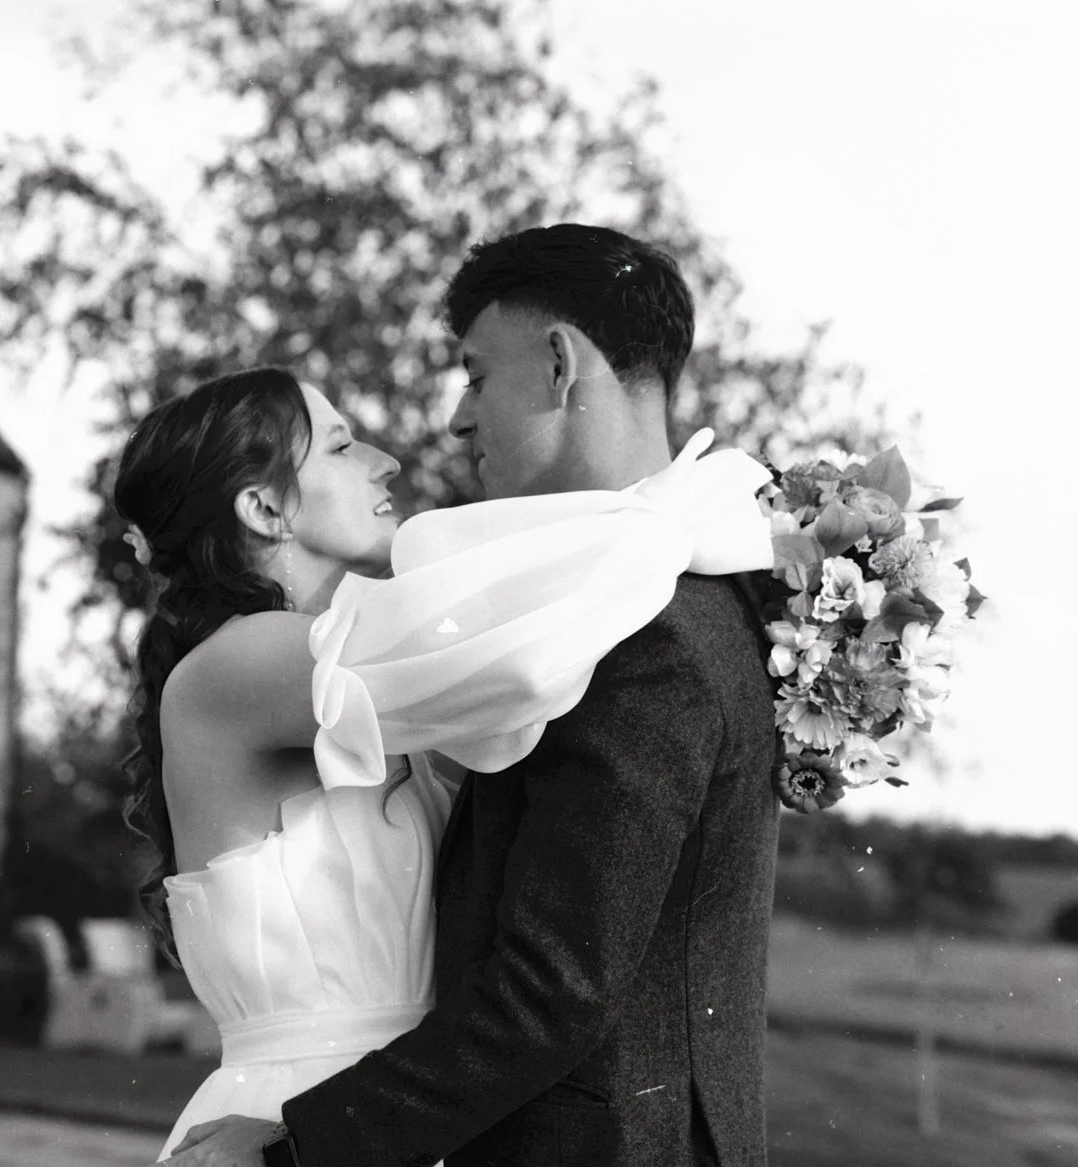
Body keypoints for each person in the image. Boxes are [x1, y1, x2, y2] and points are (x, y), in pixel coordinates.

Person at [164, 225, 783, 1167]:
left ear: (560, 364)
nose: (448, 425)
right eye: (338, 445)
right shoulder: (610, 607)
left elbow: (555, 989)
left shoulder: (634, 624)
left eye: (474, 375)